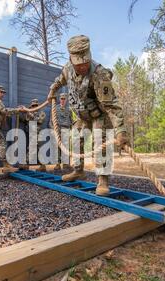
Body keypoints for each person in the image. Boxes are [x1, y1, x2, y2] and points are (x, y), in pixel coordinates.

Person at [47, 35, 129, 196]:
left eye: (86, 62)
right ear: (71, 60)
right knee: (76, 138)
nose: (83, 67)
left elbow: (111, 105)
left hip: (99, 115)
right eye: (79, 64)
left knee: (100, 141)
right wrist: (52, 89)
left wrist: (121, 131)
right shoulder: (67, 69)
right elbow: (60, 79)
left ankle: (103, 180)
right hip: (82, 115)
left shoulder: (99, 74)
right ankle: (78, 171)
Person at [19, 99, 47, 172]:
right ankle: (43, 165)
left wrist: (29, 113)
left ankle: (26, 163)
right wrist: (21, 112)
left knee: (32, 147)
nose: (34, 107)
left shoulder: (42, 113)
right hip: (30, 132)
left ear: (38, 106)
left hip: (36, 132)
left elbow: (40, 120)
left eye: (36, 105)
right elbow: (23, 120)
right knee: (38, 148)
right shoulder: (29, 112)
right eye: (33, 105)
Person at [49, 92, 72, 170]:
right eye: (61, 99)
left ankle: (65, 164)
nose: (62, 100)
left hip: (66, 130)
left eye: (64, 99)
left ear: (66, 100)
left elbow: (72, 120)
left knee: (66, 147)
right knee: (57, 147)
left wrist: (71, 130)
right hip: (57, 129)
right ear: (59, 99)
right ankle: (57, 164)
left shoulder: (69, 110)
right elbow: (51, 121)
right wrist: (53, 130)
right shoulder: (55, 108)